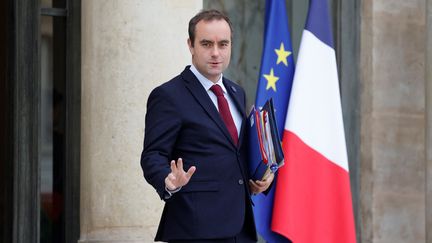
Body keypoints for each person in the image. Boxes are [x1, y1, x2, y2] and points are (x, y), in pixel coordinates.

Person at [140, 9, 274, 243]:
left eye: (223, 44)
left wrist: (261, 176)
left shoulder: (236, 92)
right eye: (206, 44)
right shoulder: (168, 96)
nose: (215, 53)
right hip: (195, 229)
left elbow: (234, 151)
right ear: (190, 45)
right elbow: (152, 155)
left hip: (240, 228)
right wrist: (167, 180)